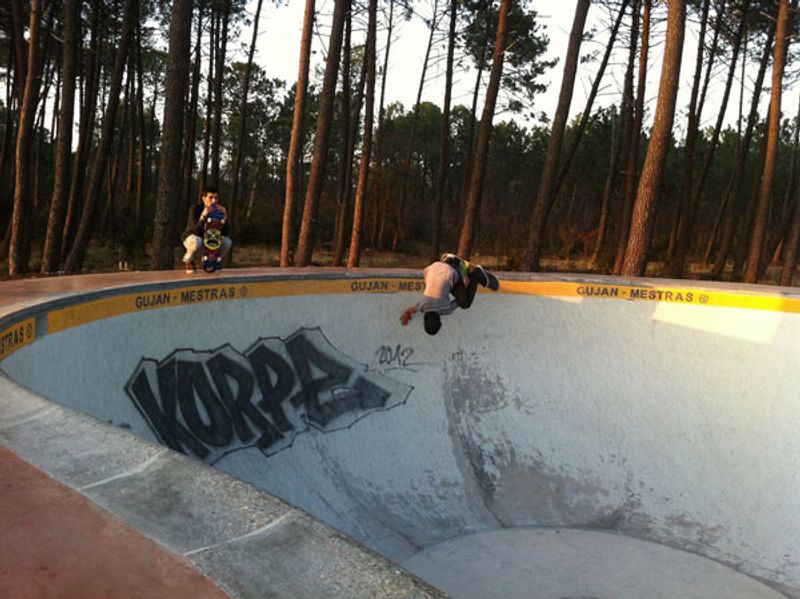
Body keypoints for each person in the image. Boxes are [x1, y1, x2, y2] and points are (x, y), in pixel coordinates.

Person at [400, 253, 499, 335]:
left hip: (451, 272)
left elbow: (459, 301)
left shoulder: (445, 309)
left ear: (440, 320)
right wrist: (407, 313)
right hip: (433, 268)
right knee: (446, 283)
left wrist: (467, 286)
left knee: (465, 303)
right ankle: (450, 260)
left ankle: (476, 274)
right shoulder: (422, 306)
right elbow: (412, 309)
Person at [181, 185, 232, 273]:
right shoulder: (195, 209)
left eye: (216, 198)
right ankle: (188, 260)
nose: (213, 201)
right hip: (193, 238)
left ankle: (215, 260)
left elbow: (225, 233)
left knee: (227, 242)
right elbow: (195, 230)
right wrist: (203, 216)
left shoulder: (220, 211)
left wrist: (225, 218)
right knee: (197, 241)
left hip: (211, 239)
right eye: (210, 197)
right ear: (204, 198)